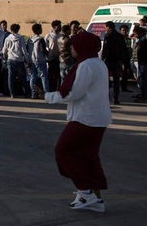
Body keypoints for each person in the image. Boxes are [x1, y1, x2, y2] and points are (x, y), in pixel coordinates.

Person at [44, 30, 111, 213]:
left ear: (82, 47)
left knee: (63, 151)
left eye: (74, 45)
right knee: (88, 156)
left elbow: (75, 92)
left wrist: (49, 97)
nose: (71, 48)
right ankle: (95, 199)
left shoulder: (86, 66)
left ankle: (85, 191)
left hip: (85, 118)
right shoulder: (98, 63)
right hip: (98, 118)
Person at [100, 21, 127, 105]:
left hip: (109, 60)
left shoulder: (108, 35)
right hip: (117, 60)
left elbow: (105, 48)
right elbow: (124, 49)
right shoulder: (120, 36)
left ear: (108, 27)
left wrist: (103, 57)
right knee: (116, 80)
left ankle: (106, 98)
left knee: (106, 80)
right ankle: (116, 98)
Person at [2, 23, 30, 98]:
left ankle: (12, 93)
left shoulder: (7, 38)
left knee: (10, 77)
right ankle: (26, 92)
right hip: (19, 60)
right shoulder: (21, 38)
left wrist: (5, 57)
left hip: (10, 59)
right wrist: (27, 59)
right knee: (23, 77)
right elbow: (24, 49)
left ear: (11, 30)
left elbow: (4, 50)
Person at [28, 23, 50, 99]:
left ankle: (33, 93)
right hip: (40, 60)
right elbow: (43, 50)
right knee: (44, 77)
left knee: (33, 76)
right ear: (37, 30)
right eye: (40, 29)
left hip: (32, 60)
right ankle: (46, 94)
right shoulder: (41, 40)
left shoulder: (30, 39)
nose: (42, 30)